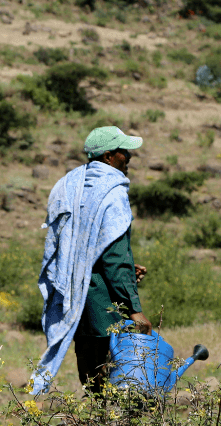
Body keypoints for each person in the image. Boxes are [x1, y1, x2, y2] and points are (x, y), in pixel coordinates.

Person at [30, 126, 152, 396]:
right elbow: (114, 258)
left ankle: (98, 425)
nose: (128, 157)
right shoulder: (111, 191)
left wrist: (126, 269)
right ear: (109, 157)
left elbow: (82, 247)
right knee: (115, 375)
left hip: (76, 297)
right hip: (102, 303)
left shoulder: (73, 185)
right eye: (123, 152)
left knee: (90, 370)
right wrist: (134, 308)